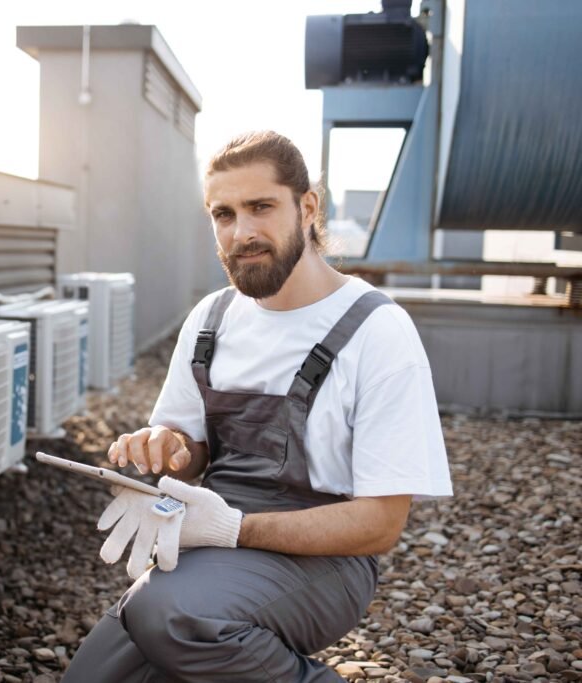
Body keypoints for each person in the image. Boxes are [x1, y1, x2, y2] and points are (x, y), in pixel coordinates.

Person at [63, 130, 453, 683]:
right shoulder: (211, 318)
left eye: (261, 207)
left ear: (308, 206)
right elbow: (188, 452)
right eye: (223, 214)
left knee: (168, 615)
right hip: (210, 545)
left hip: (325, 562)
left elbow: (380, 525)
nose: (241, 232)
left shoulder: (377, 330)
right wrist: (166, 449)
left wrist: (231, 529)